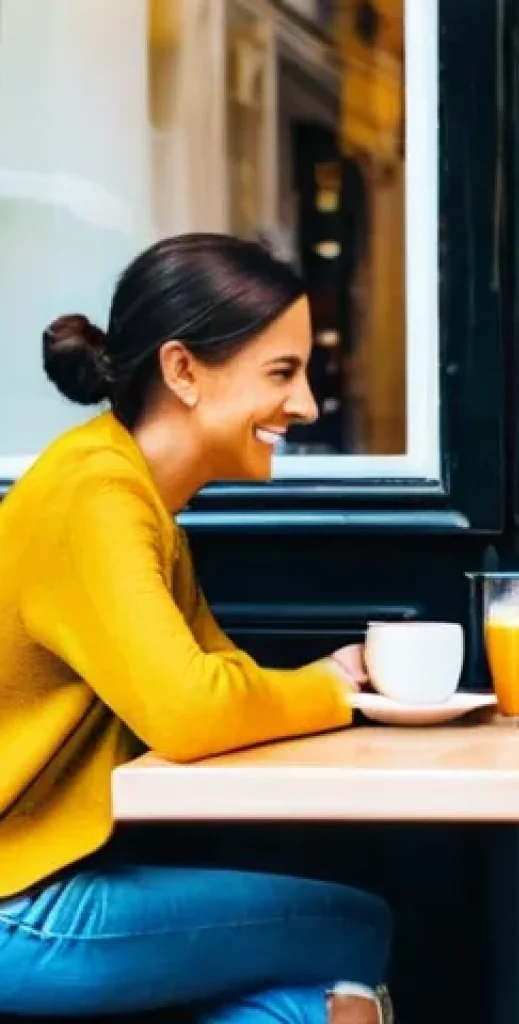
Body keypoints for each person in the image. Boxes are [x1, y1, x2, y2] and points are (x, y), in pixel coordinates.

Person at [0, 234, 394, 1023]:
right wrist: (330, 689)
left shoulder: (138, 499)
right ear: (182, 371)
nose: (309, 405)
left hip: (32, 892)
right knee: (355, 925)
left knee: (302, 1011)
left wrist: (323, 682)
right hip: (17, 908)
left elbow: (220, 677)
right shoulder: (97, 497)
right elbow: (195, 710)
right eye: (281, 373)